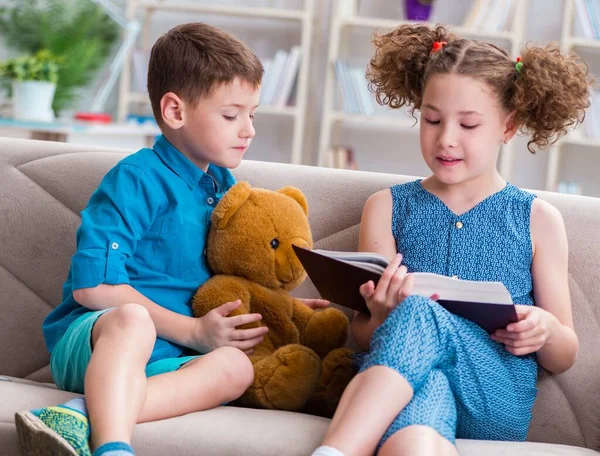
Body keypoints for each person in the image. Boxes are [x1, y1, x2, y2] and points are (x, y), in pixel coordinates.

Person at [14, 22, 326, 456]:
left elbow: (230, 268)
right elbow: (93, 287)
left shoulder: (222, 183)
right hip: (97, 340)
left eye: (252, 114)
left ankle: (83, 414)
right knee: (131, 320)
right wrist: (194, 330)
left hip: (168, 357)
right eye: (231, 115)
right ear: (176, 112)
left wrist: (284, 306)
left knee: (237, 367)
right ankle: (113, 446)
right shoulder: (136, 179)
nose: (248, 130)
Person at [312, 23, 590, 456]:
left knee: (422, 312)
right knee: (416, 428)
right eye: (433, 119)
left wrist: (544, 329)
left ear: (508, 126)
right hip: (409, 385)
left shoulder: (538, 219)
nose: (446, 138)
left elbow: (565, 354)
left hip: (493, 395)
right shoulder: (385, 207)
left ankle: (335, 451)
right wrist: (380, 314)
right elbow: (365, 335)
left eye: (469, 124)